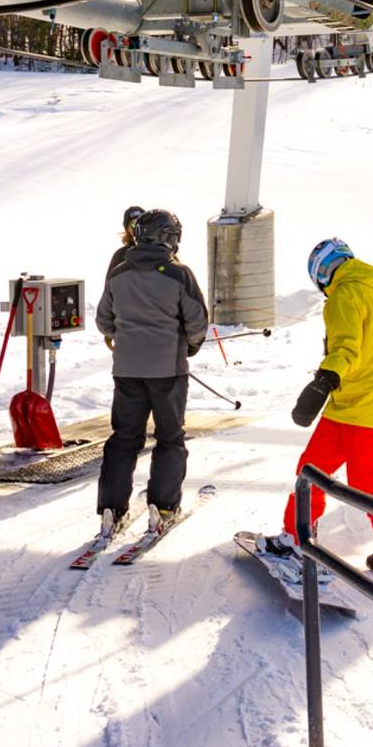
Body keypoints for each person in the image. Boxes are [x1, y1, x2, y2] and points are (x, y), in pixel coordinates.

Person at [265, 238, 373, 571]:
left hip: (367, 404)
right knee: (312, 469)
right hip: (352, 401)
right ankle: (296, 536)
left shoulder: (343, 296)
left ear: (320, 273)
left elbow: (346, 349)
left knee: (364, 481)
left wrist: (324, 381)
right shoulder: (372, 292)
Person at [95, 208, 208, 536]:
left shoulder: (119, 272)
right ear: (169, 239)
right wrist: (188, 345)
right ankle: (164, 507)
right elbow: (197, 320)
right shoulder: (178, 274)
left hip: (127, 370)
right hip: (167, 371)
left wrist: (126, 336)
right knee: (169, 438)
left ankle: (111, 510)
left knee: (123, 439)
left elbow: (104, 320)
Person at [107, 205, 145, 278]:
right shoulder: (120, 255)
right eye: (133, 224)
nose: (138, 228)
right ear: (128, 230)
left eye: (142, 223)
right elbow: (109, 286)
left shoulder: (162, 250)